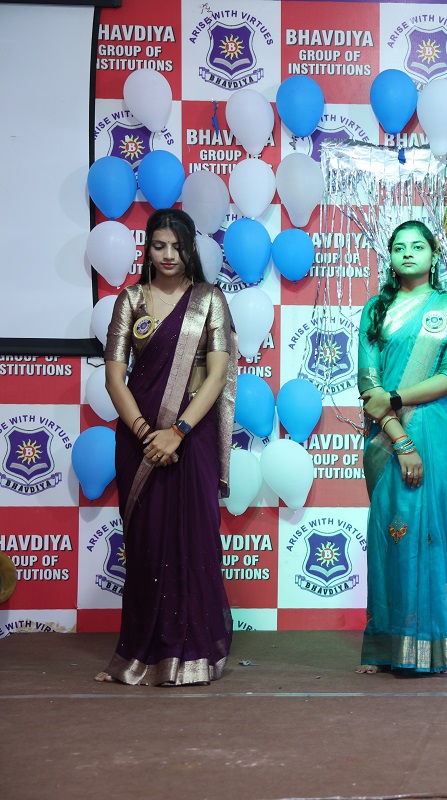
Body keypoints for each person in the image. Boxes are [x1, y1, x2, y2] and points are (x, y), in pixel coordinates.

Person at [97, 208, 237, 686]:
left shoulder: (209, 299)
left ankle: (194, 653)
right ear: (148, 249)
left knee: (194, 539)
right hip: (139, 438)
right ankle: (142, 652)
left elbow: (217, 374)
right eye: (159, 246)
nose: (169, 255)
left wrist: (177, 430)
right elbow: (115, 378)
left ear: (191, 249)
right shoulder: (130, 300)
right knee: (147, 544)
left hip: (191, 435)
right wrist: (145, 433)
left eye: (178, 247)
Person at [356, 220, 447, 675]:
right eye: (399, 247)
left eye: (418, 246)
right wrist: (400, 439)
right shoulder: (375, 310)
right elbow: (369, 383)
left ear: (434, 256)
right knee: (389, 536)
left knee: (430, 535)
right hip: (388, 437)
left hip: (437, 434)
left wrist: (395, 399)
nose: (408, 253)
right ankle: (385, 646)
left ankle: (429, 647)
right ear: (391, 258)